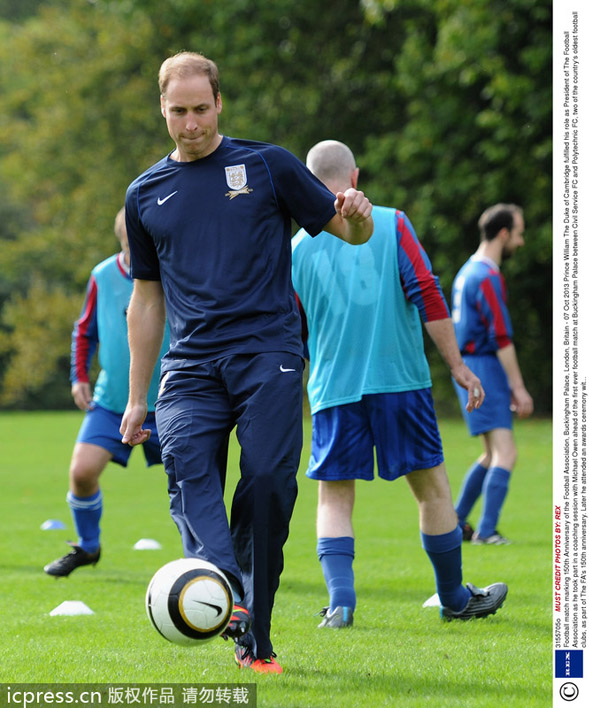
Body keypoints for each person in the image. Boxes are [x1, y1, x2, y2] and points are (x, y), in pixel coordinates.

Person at [119, 53, 373, 674]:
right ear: (163, 109)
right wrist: (135, 397)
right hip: (190, 367)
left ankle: (253, 640)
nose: (192, 124)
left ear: (219, 104)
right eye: (178, 112)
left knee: (265, 485)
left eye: (201, 109)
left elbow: (347, 233)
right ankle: (224, 585)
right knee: (186, 466)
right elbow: (145, 302)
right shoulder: (145, 194)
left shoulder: (267, 164)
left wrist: (360, 219)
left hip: (269, 355)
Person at [291, 140, 508, 629]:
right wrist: (458, 365)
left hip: (331, 391)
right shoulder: (392, 222)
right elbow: (428, 294)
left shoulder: (296, 248)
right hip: (399, 383)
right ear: (355, 175)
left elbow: (293, 334)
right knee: (432, 490)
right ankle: (454, 597)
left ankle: (341, 603)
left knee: (334, 497)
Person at [44, 208, 169, 578]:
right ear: (123, 241)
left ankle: (208, 560)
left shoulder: (173, 272)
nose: (139, 259)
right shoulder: (102, 275)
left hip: (170, 401)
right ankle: (87, 547)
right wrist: (78, 376)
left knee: (192, 481)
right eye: (132, 249)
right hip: (114, 401)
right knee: (81, 472)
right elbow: (84, 330)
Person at [451, 203, 534, 545]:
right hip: (483, 366)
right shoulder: (487, 276)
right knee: (506, 452)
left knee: (490, 453)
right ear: (504, 233)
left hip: (468, 365)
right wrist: (519, 387)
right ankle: (486, 531)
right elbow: (501, 338)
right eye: (519, 233)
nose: (521, 241)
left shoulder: (466, 271)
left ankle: (455, 522)